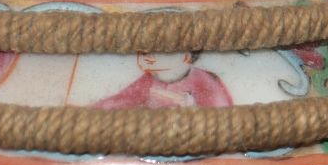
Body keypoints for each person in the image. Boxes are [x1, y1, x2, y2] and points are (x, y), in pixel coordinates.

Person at [89, 51, 232, 109]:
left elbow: (222, 114)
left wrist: (189, 103)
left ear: (187, 56)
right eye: (144, 51)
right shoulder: (149, 80)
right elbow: (124, 99)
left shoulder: (204, 81)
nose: (147, 56)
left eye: (160, 50)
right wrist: (94, 110)